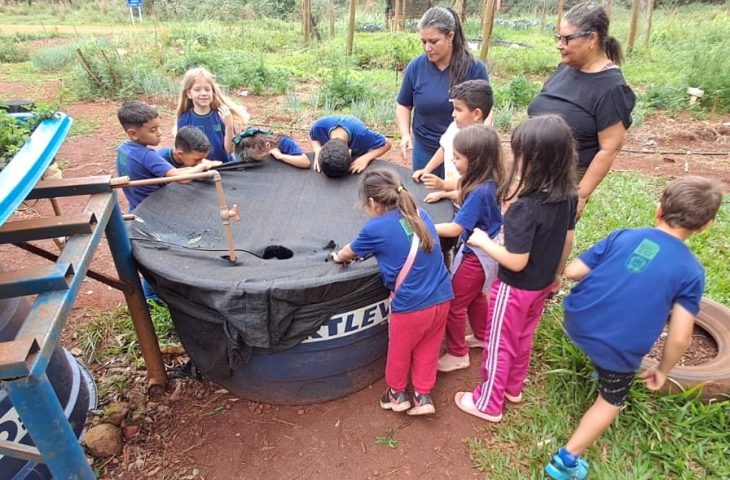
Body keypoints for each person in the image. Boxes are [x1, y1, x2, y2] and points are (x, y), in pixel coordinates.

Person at [544, 176, 723, 480]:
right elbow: (680, 337)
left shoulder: (624, 236)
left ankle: (599, 365)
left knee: (605, 342)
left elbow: (573, 271)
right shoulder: (691, 271)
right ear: (705, 227)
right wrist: (662, 369)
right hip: (617, 348)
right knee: (611, 401)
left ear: (659, 209)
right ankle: (566, 461)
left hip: (576, 320)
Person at [454, 115, 578, 423]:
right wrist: (557, 274)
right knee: (523, 337)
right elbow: (567, 239)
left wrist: (483, 242)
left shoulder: (524, 208)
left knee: (499, 344)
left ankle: (488, 403)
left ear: (533, 160)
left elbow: (515, 260)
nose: (514, 159)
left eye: (519, 153)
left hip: (515, 288)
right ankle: (512, 388)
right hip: (543, 283)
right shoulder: (568, 196)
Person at [330, 169, 453, 415]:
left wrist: (337, 257)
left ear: (373, 202)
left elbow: (348, 252)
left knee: (400, 351)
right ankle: (423, 395)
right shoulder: (421, 214)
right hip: (442, 297)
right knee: (429, 347)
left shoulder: (375, 228)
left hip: (411, 306)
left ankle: (396, 394)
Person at [527, 1, 635, 219]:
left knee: (548, 234)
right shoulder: (565, 68)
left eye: (566, 39)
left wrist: (581, 195)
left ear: (592, 39)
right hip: (533, 170)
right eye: (558, 37)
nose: (559, 45)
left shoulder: (611, 87)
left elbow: (610, 148)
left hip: (563, 181)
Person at [432, 125, 504, 372]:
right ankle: (482, 336)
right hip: (488, 251)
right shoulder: (489, 182)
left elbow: (454, 229)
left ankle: (457, 354)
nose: (453, 161)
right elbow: (467, 196)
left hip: (476, 258)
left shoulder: (479, 192)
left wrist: (423, 225)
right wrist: (445, 194)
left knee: (453, 303)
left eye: (457, 157)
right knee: (474, 296)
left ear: (476, 160)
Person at [397, 6, 489, 178]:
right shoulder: (416, 68)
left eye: (433, 41)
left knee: (459, 190)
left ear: (450, 36)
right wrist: (405, 135)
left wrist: (479, 143)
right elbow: (404, 104)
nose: (427, 47)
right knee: (424, 188)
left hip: (462, 151)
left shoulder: (474, 69)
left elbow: (486, 111)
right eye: (424, 42)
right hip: (424, 148)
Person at [116, 101, 221, 212]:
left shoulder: (123, 148)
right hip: (152, 209)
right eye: (153, 130)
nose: (159, 133)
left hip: (135, 206)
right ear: (133, 134)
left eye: (158, 127)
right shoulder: (147, 155)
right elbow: (182, 179)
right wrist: (202, 166)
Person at [411, 79, 494, 204]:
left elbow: (474, 189)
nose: (453, 114)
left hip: (469, 205)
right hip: (452, 201)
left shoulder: (482, 146)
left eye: (458, 109)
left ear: (476, 114)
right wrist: (426, 170)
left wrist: (444, 192)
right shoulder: (454, 127)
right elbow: (444, 148)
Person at [174, 67, 250, 163]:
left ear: (212, 92)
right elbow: (184, 153)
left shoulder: (222, 115)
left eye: (207, 89)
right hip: (199, 167)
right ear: (189, 93)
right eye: (197, 89)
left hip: (224, 165)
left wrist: (229, 126)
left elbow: (230, 149)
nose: (203, 93)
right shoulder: (184, 120)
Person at [309, 115, 391, 177]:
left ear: (350, 151)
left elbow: (387, 144)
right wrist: (318, 150)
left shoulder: (362, 135)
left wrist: (365, 158)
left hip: (359, 145)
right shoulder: (319, 127)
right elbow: (312, 137)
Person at [232, 127, 310, 169]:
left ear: (267, 145)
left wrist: (280, 156)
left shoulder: (284, 142)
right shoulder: (246, 152)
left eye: (258, 155)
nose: (255, 159)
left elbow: (305, 162)